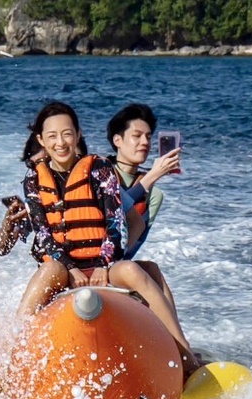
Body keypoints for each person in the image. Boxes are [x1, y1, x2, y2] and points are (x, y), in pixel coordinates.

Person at [16, 101, 199, 377]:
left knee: (132, 270)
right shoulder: (33, 178)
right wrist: (69, 267)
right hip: (65, 269)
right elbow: (42, 233)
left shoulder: (99, 167)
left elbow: (116, 221)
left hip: (104, 265)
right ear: (41, 139)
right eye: (52, 136)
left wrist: (104, 263)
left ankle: (184, 357)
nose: (61, 142)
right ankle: (13, 358)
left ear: (78, 135)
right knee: (48, 270)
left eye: (67, 134)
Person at [106, 103, 182, 306]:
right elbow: (115, 209)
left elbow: (130, 247)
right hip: (90, 262)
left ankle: (174, 337)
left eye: (148, 137)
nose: (144, 142)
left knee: (153, 270)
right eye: (136, 136)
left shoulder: (154, 196)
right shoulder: (99, 173)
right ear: (117, 140)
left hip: (118, 265)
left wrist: (149, 181)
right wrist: (152, 176)